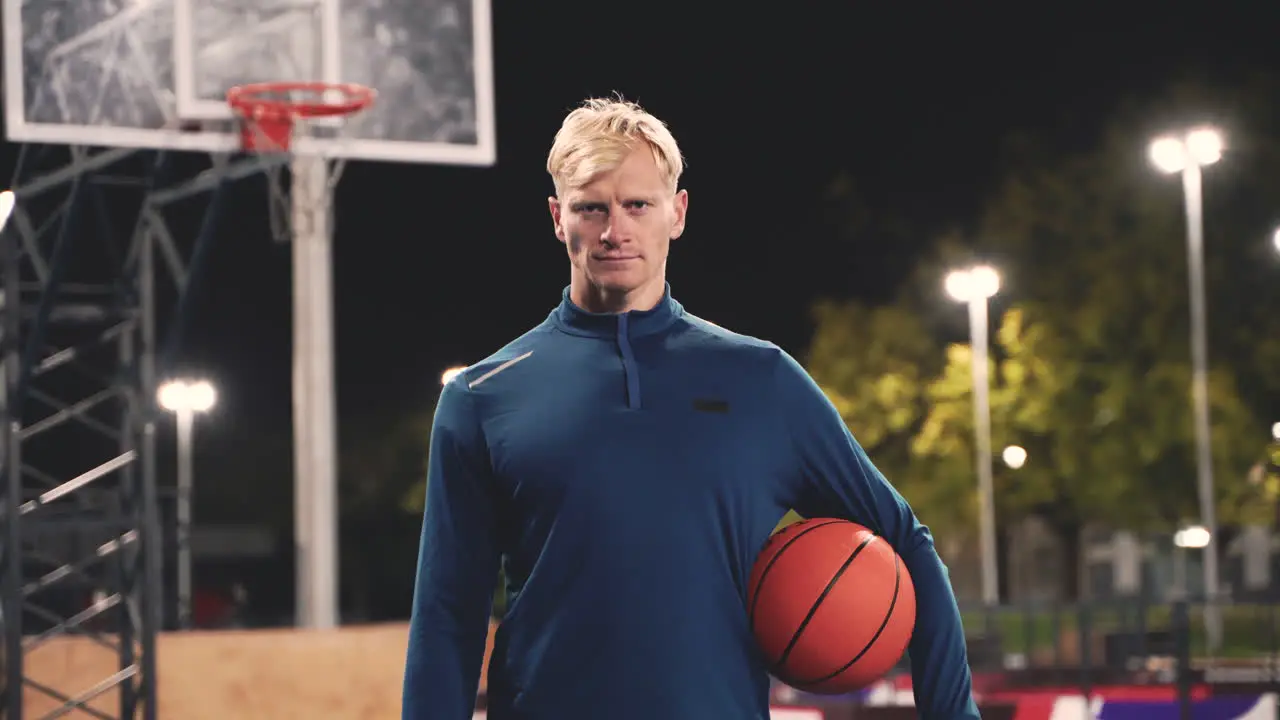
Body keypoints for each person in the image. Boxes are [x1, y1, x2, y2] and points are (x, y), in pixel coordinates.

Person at [402, 96, 981, 720]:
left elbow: (908, 546)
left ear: (676, 213)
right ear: (556, 217)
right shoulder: (482, 398)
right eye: (590, 207)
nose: (614, 229)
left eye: (637, 205)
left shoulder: (762, 381)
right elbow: (447, 616)